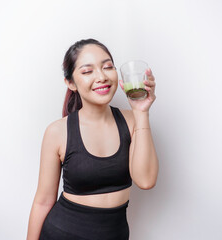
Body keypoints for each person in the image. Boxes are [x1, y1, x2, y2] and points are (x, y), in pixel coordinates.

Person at [26, 38, 158, 240]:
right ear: (71, 83)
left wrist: (141, 113)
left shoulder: (132, 121)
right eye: (87, 71)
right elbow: (43, 201)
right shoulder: (57, 132)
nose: (101, 77)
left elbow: (146, 180)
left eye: (107, 67)